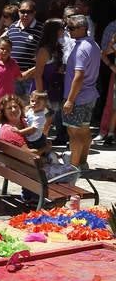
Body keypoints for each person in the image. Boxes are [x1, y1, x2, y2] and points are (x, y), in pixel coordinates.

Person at [63, 14, 101, 169]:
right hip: (90, 96)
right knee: (84, 131)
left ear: (83, 28)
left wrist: (70, 100)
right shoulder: (93, 45)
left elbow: (79, 76)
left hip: (78, 98)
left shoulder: (81, 48)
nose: (68, 30)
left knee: (74, 133)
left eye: (71, 28)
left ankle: (73, 167)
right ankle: (83, 163)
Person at [0, 37, 33, 135]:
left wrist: (34, 69)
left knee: (7, 124)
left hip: (8, 102)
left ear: (11, 51)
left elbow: (20, 77)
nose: (4, 51)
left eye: (7, 49)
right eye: (2, 48)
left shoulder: (13, 64)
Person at [6, 0, 44, 99]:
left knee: (30, 110)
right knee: (15, 108)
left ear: (34, 12)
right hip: (13, 77)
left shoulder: (41, 29)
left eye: (29, 12)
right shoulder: (12, 27)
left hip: (31, 78)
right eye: (22, 11)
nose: (25, 14)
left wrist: (29, 73)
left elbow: (46, 56)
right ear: (18, 12)